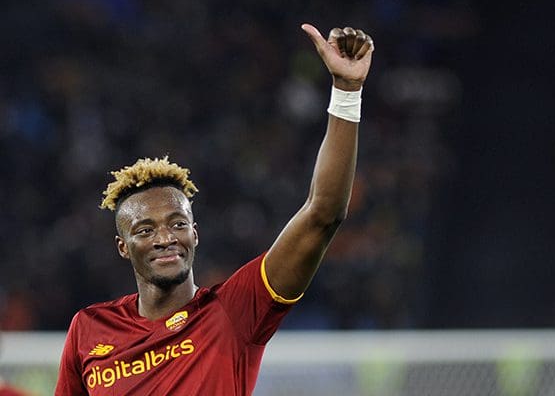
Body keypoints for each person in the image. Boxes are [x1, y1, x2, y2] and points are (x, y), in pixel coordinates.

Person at [55, 22, 374, 395]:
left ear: (195, 234)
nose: (165, 238)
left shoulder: (234, 311)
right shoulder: (89, 329)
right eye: (145, 229)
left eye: (177, 224)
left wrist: (346, 91)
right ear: (123, 246)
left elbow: (322, 214)